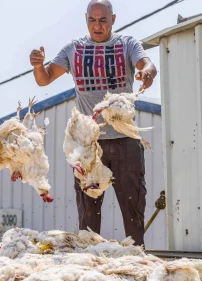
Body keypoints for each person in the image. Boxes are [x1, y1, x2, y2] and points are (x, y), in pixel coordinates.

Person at [29, 0, 157, 246]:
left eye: (103, 20)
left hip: (125, 142)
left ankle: (136, 259)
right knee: (88, 215)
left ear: (113, 19)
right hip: (88, 146)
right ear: (86, 19)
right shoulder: (73, 49)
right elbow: (44, 80)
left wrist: (147, 73)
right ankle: (88, 262)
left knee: (133, 209)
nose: (97, 26)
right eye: (92, 20)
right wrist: (37, 66)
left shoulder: (127, 44)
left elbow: (147, 64)